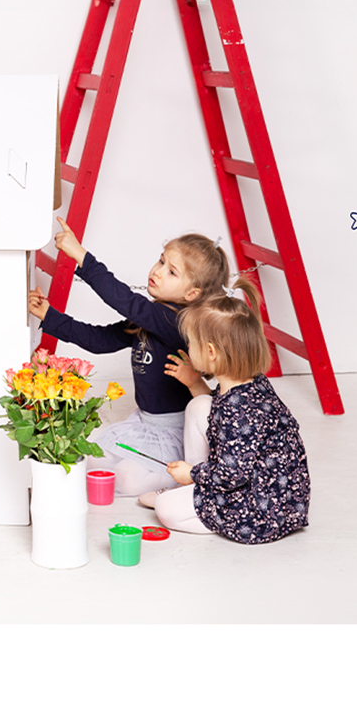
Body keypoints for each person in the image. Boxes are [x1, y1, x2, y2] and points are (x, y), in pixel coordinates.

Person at [28, 218, 229, 496]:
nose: (158, 272)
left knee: (125, 480)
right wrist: (50, 316)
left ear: (191, 293)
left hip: (173, 432)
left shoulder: (176, 324)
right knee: (92, 463)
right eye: (161, 261)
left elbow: (125, 300)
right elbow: (100, 340)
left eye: (171, 272)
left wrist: (81, 256)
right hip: (143, 423)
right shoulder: (150, 318)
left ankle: (186, 476)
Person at [152, 278, 310, 542]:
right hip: (274, 491)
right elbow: (216, 415)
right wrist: (194, 383)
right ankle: (193, 490)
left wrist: (191, 473)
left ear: (210, 352)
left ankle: (194, 494)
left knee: (165, 508)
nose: (188, 348)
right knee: (199, 405)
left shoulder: (239, 412)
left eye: (191, 343)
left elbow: (233, 474)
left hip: (260, 512)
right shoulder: (248, 384)